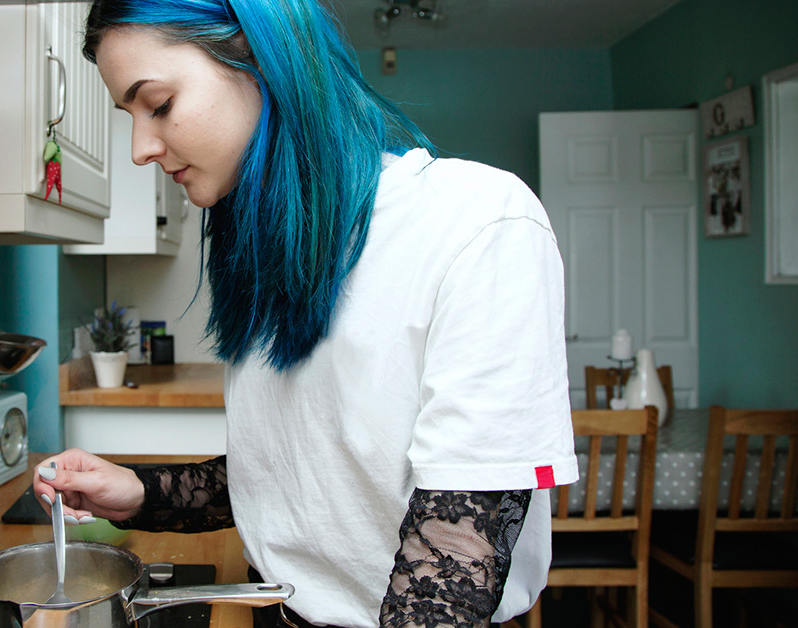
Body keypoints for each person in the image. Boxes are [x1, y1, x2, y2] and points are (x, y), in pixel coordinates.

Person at [33, 1, 579, 626]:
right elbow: (305, 474)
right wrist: (139, 493)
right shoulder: (277, 252)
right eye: (129, 116)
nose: (140, 149)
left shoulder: (478, 223)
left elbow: (447, 587)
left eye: (157, 104)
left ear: (263, 61)